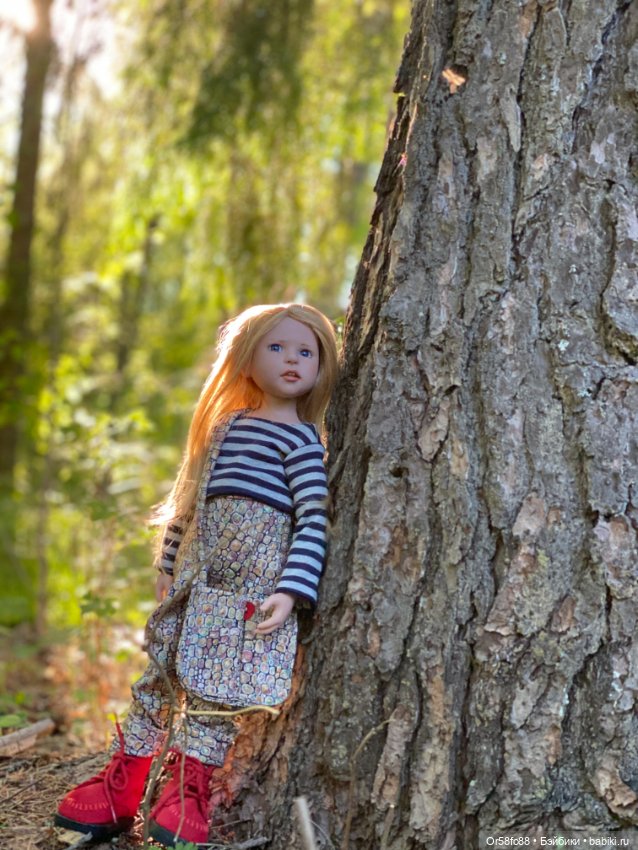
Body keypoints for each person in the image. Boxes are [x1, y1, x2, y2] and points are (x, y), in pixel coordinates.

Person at [54, 303, 339, 848]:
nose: (291, 360)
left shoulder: (303, 443)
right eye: (276, 347)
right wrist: (168, 563)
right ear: (246, 357)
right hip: (194, 581)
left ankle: (185, 792)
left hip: (248, 595)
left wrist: (291, 589)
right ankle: (124, 783)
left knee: (216, 693)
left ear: (321, 367)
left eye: (306, 351)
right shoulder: (225, 427)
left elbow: (312, 522)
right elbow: (190, 503)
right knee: (159, 674)